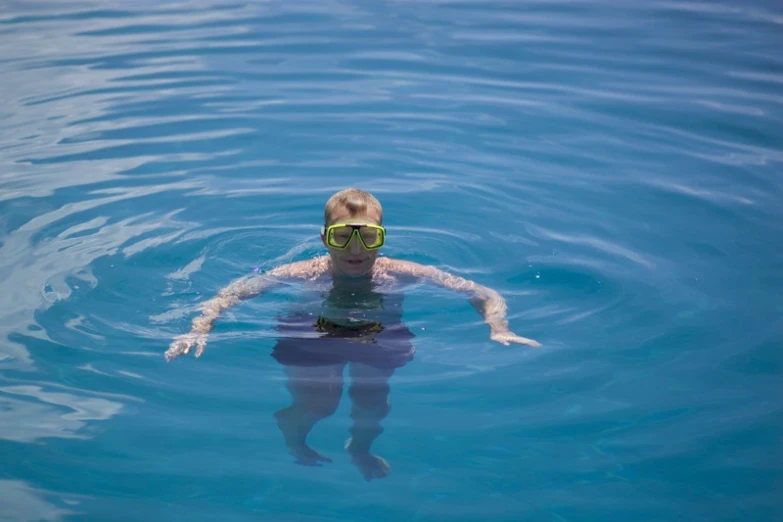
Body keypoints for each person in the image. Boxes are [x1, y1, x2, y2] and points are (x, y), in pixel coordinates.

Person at [166, 188, 540, 480]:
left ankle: (359, 448)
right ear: (325, 237)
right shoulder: (303, 272)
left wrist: (498, 326)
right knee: (319, 404)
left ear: (382, 238)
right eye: (343, 236)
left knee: (373, 400)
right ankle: (294, 436)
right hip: (312, 332)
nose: (356, 249)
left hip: (378, 333)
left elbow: (484, 293)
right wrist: (199, 328)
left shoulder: (402, 271)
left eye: (368, 237)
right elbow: (231, 293)